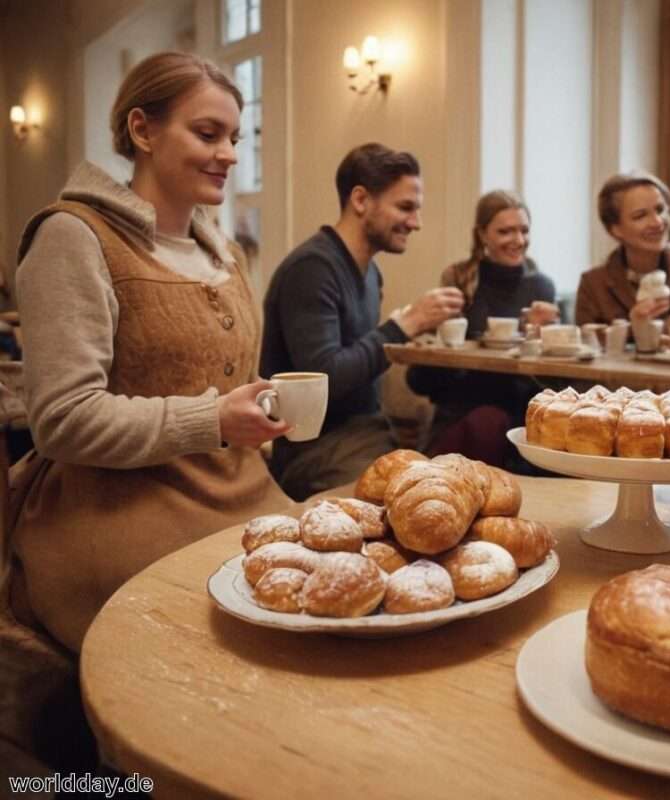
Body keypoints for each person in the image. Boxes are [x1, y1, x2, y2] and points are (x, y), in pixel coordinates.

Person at [8, 51, 292, 653]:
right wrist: (214, 420)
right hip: (115, 512)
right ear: (142, 130)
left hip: (240, 492)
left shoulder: (222, 254)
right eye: (207, 133)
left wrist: (258, 409)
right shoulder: (73, 237)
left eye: (235, 137)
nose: (231, 155)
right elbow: (63, 420)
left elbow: (220, 377)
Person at [260, 143, 464, 499]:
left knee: (451, 486)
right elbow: (326, 377)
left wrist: (412, 333)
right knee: (419, 503)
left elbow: (359, 360)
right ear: (360, 200)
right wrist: (403, 326)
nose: (415, 223)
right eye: (405, 207)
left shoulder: (371, 274)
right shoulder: (313, 269)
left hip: (368, 434)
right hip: (316, 452)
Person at [406, 190, 558, 466]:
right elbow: (422, 380)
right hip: (462, 410)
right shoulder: (459, 280)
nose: (519, 240)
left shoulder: (541, 287)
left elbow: (553, 384)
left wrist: (548, 337)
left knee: (492, 423)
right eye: (506, 232)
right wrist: (434, 332)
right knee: (484, 423)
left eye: (524, 230)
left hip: (517, 413)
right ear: (482, 235)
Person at [575, 171, 670, 344]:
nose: (657, 222)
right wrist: (635, 329)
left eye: (660, 209)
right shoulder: (593, 284)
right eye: (640, 216)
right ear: (615, 229)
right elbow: (585, 348)